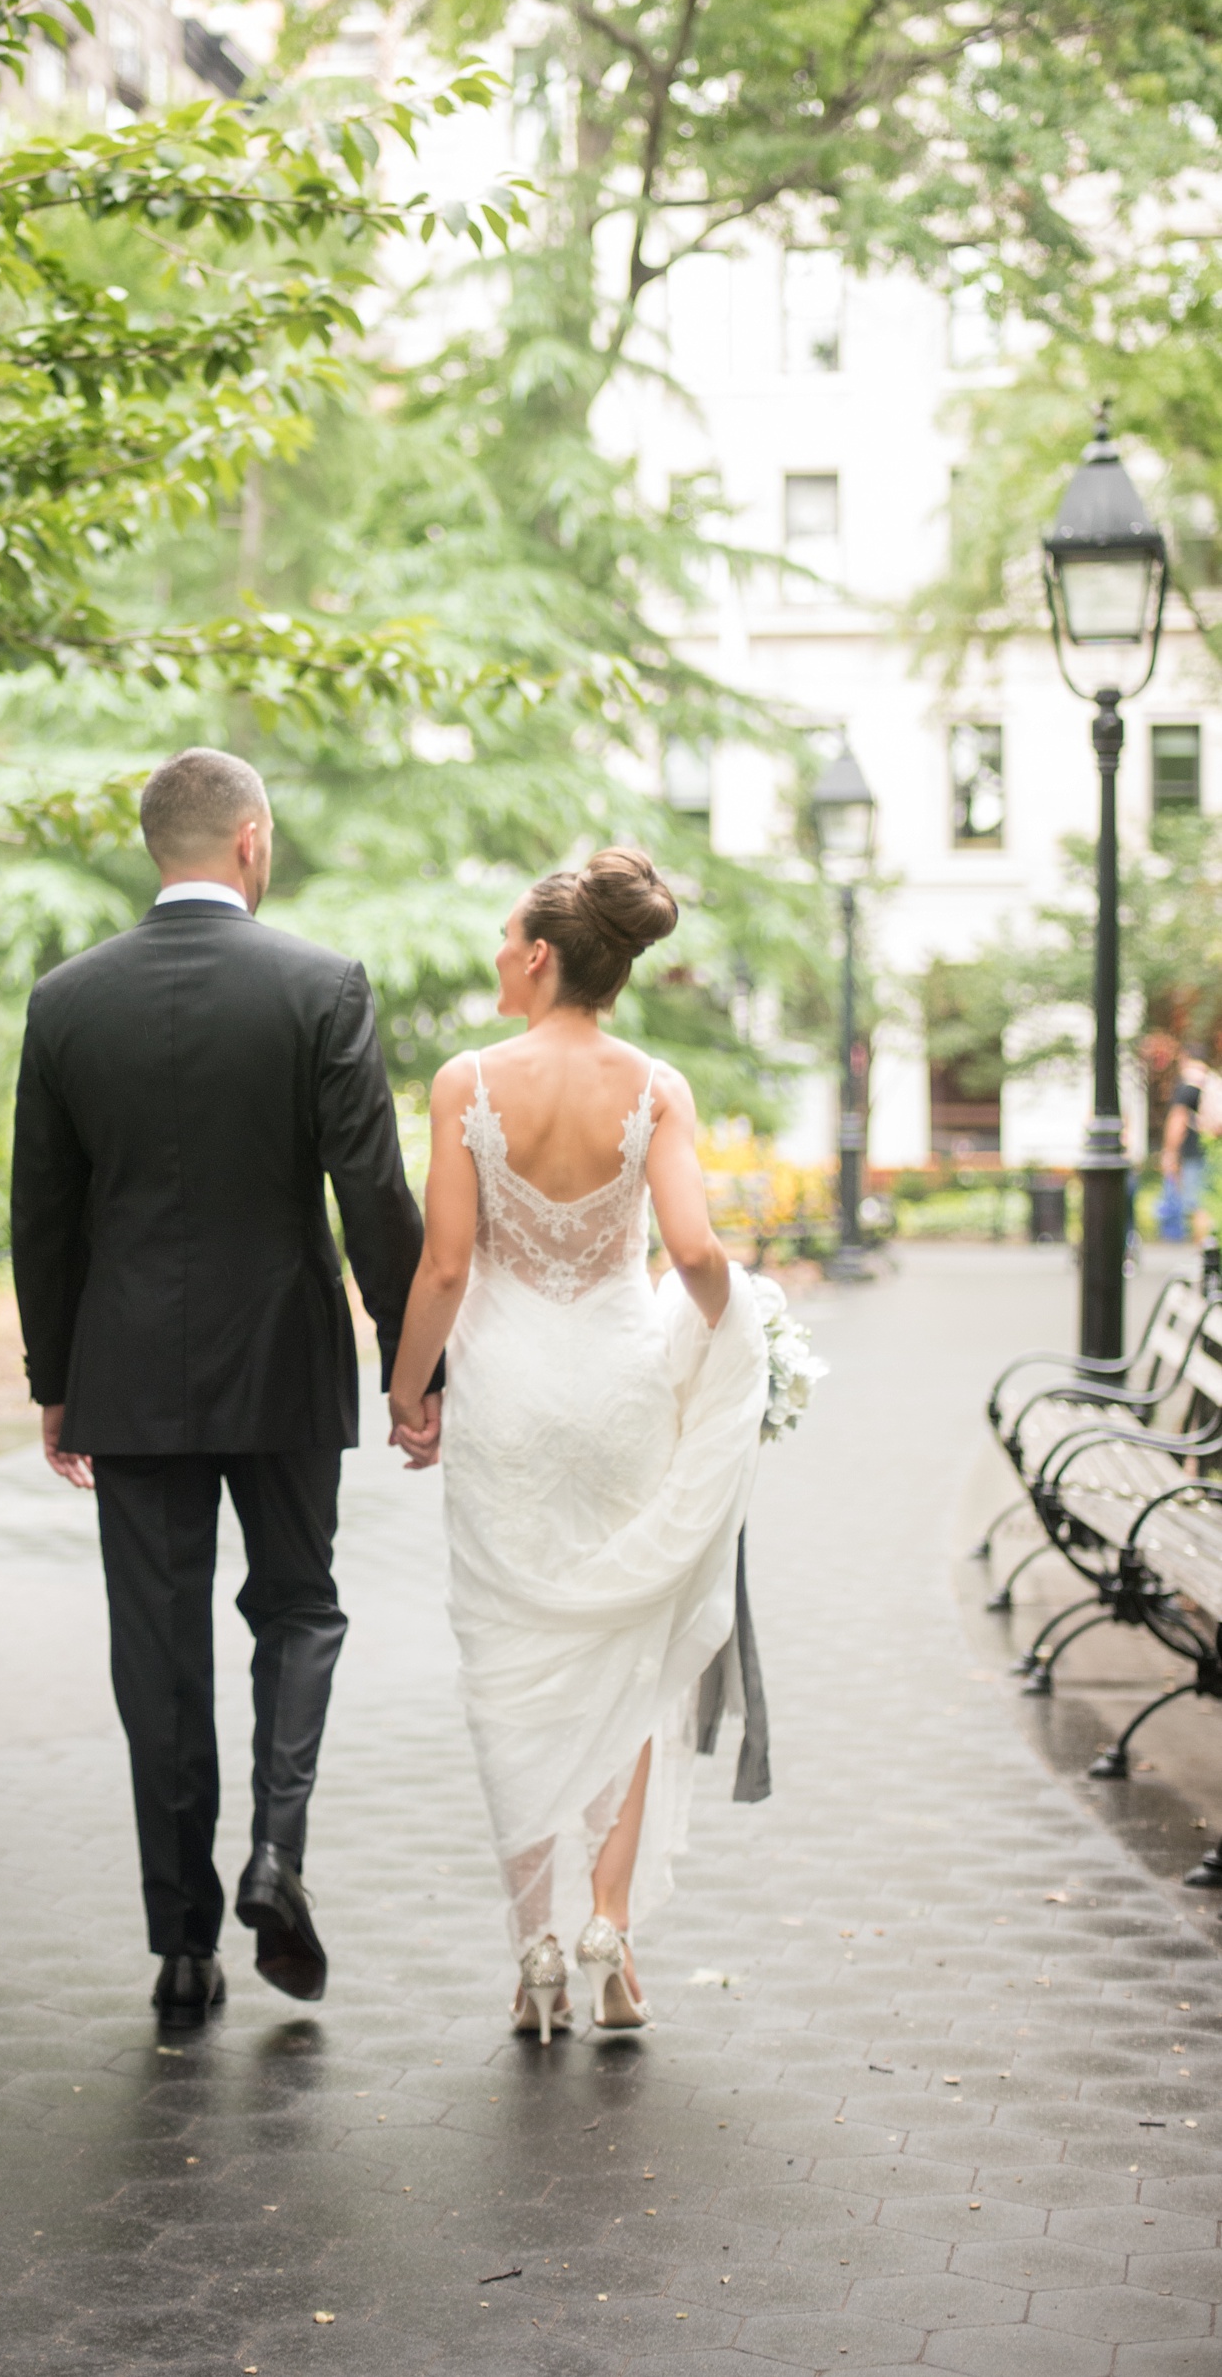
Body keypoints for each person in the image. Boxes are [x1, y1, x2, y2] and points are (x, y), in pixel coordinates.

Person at [9, 748, 432, 2032]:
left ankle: (182, 1949)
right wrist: (416, 1364)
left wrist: (54, 1376)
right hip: (285, 1360)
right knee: (298, 1606)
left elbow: (43, 1209)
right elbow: (371, 1191)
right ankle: (277, 1856)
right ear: (250, 840)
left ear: (160, 845)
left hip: (128, 1371)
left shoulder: (66, 999)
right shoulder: (318, 987)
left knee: (158, 1648)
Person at [386, 849, 768, 2041]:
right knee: (626, 1652)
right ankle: (609, 1923)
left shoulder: (465, 1082)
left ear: (542, 954)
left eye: (507, 937)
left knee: (507, 1666)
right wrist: (742, 1347)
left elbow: (445, 1265)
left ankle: (536, 1953)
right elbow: (695, 1254)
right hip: (616, 1389)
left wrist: (406, 1395)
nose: (497, 955)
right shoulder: (654, 1086)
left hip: (504, 1397)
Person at [1159, 1046, 1213, 1242]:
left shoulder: (1187, 1086)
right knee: (1208, 1203)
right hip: (1212, 1150)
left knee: (1195, 1205)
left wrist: (1170, 1152)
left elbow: (1178, 1120)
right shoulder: (1209, 1081)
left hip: (1192, 1153)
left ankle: (1206, 1256)